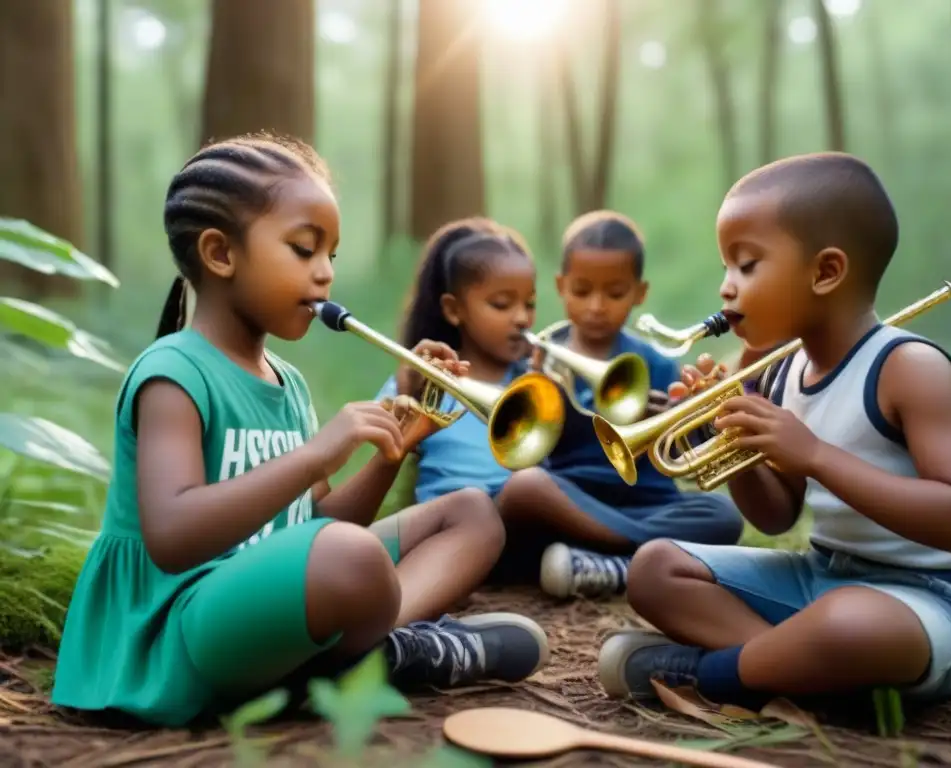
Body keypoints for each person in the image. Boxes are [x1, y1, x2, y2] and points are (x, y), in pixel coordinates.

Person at [51, 134, 549, 729]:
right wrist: (317, 454)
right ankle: (379, 656)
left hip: (272, 600)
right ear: (219, 253)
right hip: (180, 623)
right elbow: (172, 535)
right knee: (350, 557)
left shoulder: (287, 383)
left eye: (331, 256)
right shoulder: (173, 373)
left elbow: (317, 528)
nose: (324, 275)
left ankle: (359, 658)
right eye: (304, 249)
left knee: (468, 513)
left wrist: (392, 451)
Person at [597, 152, 951, 712]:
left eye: (746, 266)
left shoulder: (908, 368)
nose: (726, 288)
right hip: (823, 577)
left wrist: (814, 455)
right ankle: (797, 669)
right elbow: (776, 517)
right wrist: (739, 442)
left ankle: (711, 674)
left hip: (935, 601)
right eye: (725, 268)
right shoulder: (785, 371)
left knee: (847, 626)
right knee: (654, 568)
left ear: (825, 272)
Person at [498, 211, 744, 600]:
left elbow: (687, 452)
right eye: (582, 291)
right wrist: (538, 400)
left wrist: (673, 420)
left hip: (647, 503)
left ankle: (610, 563)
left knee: (722, 515)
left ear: (639, 293)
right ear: (561, 287)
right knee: (524, 488)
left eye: (615, 294)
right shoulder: (538, 361)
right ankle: (635, 561)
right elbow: (522, 456)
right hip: (571, 500)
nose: (597, 306)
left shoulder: (656, 363)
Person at [375, 217, 539, 506]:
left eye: (529, 305)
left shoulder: (536, 381)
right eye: (501, 304)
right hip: (446, 525)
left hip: (524, 522)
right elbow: (381, 440)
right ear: (453, 310)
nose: (522, 318)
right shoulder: (424, 380)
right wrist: (407, 392)